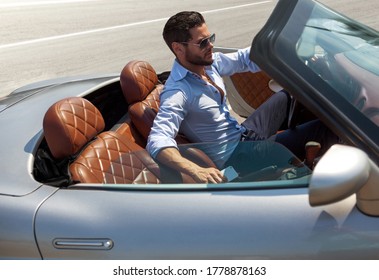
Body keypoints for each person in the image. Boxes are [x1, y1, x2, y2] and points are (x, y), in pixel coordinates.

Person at [146, 11, 339, 183]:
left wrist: (292, 44)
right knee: (327, 127)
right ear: (178, 48)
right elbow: (158, 139)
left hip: (245, 134)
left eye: (210, 37)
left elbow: (246, 58)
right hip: (240, 158)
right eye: (203, 42)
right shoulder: (178, 92)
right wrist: (195, 169)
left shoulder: (209, 64)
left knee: (293, 93)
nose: (210, 45)